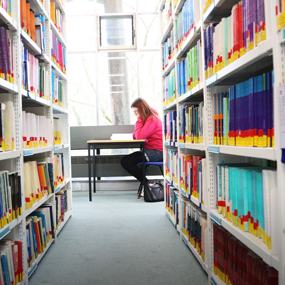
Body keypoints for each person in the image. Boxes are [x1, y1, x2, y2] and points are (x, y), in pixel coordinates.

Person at [120, 98, 163, 196]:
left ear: (142, 110)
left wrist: (139, 119)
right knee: (127, 160)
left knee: (126, 161)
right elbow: (139, 134)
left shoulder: (152, 119)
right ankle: (146, 184)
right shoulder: (151, 118)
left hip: (157, 152)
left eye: (136, 111)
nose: (135, 114)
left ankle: (147, 184)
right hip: (153, 150)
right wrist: (136, 134)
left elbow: (139, 136)